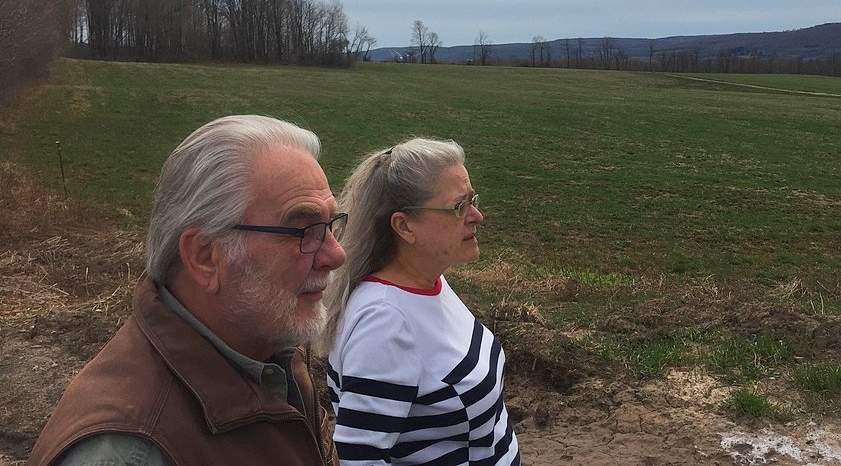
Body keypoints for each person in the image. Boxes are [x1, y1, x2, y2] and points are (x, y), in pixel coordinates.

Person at [30, 115, 347, 466]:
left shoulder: (273, 350)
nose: (335, 255)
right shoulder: (132, 453)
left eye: (330, 224)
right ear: (205, 257)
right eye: (303, 230)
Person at [321, 137, 520, 466]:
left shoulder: (431, 281)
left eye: (473, 200)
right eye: (459, 206)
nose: (477, 216)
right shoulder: (384, 324)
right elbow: (360, 460)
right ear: (404, 225)